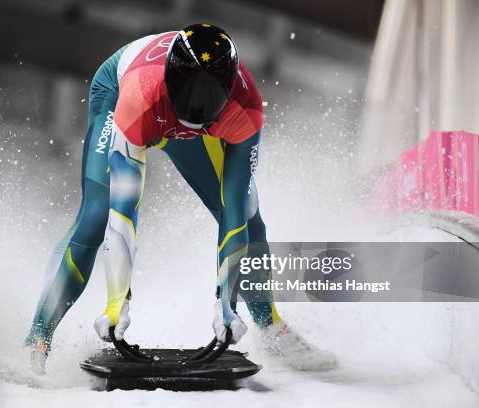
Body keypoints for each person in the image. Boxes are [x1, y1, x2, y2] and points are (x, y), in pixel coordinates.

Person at [24, 23, 337, 374]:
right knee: (96, 214)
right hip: (125, 98)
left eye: (209, 100)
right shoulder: (140, 96)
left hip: (173, 118)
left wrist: (225, 304)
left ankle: (270, 327)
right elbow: (123, 211)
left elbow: (234, 209)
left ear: (228, 92)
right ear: (172, 83)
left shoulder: (244, 109)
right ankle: (38, 338)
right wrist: (117, 302)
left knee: (249, 217)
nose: (197, 108)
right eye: (190, 97)